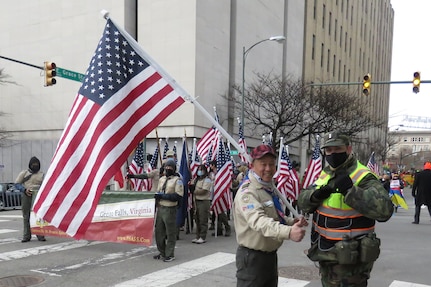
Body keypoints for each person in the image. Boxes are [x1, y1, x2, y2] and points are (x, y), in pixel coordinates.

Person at [298, 131, 394, 287]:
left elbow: (385, 211)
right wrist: (315, 195)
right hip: (326, 253)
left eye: (337, 149)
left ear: (348, 149)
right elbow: (302, 202)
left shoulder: (363, 176)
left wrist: (350, 191)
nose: (333, 154)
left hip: (351, 260)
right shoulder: (326, 173)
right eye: (329, 151)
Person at [233, 144, 308, 287]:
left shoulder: (267, 188)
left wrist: (293, 222)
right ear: (252, 165)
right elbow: (259, 221)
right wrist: (288, 232)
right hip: (252, 259)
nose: (268, 169)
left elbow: (275, 217)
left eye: (272, 164)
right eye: (263, 164)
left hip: (269, 257)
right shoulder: (248, 192)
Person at [153, 159, 184, 262]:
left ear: (174, 168)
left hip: (170, 208)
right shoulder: (162, 179)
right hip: (161, 208)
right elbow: (158, 192)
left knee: (170, 232)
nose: (167, 169)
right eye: (166, 167)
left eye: (170, 167)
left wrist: (165, 196)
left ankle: (170, 254)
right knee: (159, 232)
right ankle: (162, 252)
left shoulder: (177, 180)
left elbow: (178, 196)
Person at [15, 156, 46, 243]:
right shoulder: (24, 173)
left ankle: (40, 235)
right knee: (26, 216)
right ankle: (26, 236)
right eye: (33, 164)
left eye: (36, 164)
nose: (35, 165)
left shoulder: (42, 174)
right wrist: (24, 190)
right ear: (30, 164)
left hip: (38, 196)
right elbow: (17, 184)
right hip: (26, 195)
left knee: (38, 216)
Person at [189, 164, 212, 244]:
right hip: (196, 201)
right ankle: (197, 236)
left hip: (204, 201)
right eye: (198, 169)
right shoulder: (197, 179)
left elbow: (204, 191)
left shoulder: (207, 180)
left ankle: (202, 236)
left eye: (201, 170)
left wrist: (194, 191)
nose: (199, 171)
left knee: (203, 219)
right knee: (197, 219)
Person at [208, 160, 231, 237]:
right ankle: (219, 229)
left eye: (211, 164)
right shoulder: (211, 173)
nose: (210, 166)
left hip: (220, 192)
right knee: (216, 212)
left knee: (220, 211)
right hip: (213, 193)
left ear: (214, 165)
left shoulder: (219, 172)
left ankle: (227, 227)